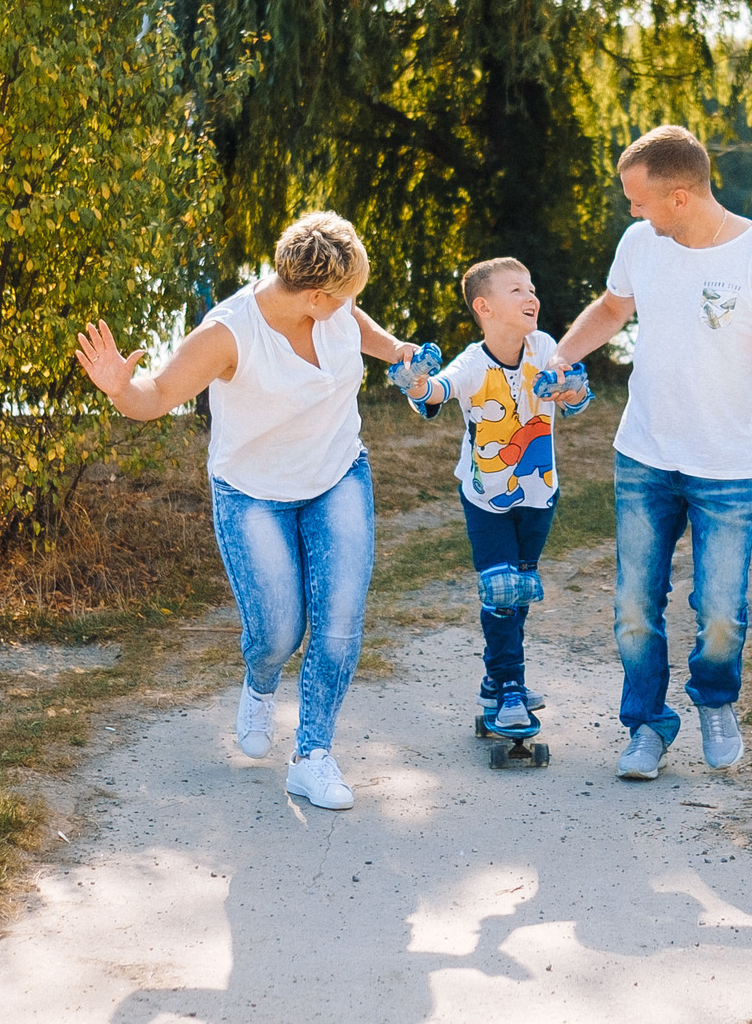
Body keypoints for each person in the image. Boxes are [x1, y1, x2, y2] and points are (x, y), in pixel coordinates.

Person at [75, 211, 422, 811]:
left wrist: (396, 351)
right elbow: (155, 397)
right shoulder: (228, 334)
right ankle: (261, 682)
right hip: (252, 492)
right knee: (278, 632)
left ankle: (312, 757)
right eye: (344, 298)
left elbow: (355, 323)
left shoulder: (332, 310)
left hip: (338, 476)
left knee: (338, 625)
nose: (350, 307)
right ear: (315, 297)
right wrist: (116, 388)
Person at [555, 125, 752, 781]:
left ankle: (714, 701)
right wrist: (559, 356)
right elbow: (613, 308)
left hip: (727, 468)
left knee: (721, 606)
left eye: (637, 199)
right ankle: (647, 723)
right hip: (644, 455)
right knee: (634, 602)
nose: (630, 211)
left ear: (679, 196)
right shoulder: (641, 243)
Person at [392, 256, 592, 743]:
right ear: (484, 306)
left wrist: (568, 387)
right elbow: (435, 393)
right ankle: (509, 688)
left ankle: (497, 677)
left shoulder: (543, 347)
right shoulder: (471, 364)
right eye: (517, 291)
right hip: (486, 497)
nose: (532, 297)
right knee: (501, 589)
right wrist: (416, 381)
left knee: (519, 590)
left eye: (532, 288)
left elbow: (574, 393)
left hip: (539, 493)